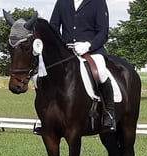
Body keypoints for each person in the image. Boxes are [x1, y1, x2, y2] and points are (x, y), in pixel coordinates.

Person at [49, 0, 116, 132]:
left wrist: (88, 45)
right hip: (66, 51)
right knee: (46, 73)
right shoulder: (62, 2)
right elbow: (53, 28)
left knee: (101, 73)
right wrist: (62, 45)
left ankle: (109, 113)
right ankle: (45, 117)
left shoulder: (98, 3)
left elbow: (103, 32)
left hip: (92, 50)